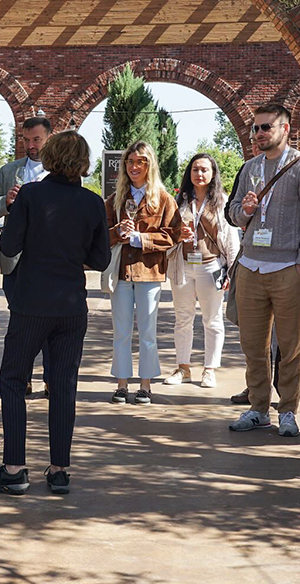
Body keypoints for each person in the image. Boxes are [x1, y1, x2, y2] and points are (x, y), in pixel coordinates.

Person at [0, 130, 111, 495]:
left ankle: (14, 468)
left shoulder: (31, 195)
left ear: (49, 157)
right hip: (71, 306)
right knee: (63, 386)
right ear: (83, 163)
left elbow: (9, 245)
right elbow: (100, 259)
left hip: (31, 302)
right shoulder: (93, 202)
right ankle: (59, 469)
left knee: (13, 380)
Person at [228, 103, 300, 437]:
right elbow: (233, 213)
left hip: (287, 269)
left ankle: (287, 410)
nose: (259, 134)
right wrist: (245, 211)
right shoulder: (249, 168)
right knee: (252, 346)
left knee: (290, 346)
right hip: (250, 267)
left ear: (285, 129)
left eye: (266, 127)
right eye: (255, 128)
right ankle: (258, 408)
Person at [105, 141, 181, 404]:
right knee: (121, 331)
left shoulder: (163, 199)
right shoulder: (115, 199)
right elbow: (101, 235)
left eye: (141, 162)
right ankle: (121, 384)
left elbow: (173, 235)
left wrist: (141, 239)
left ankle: (146, 385)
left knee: (148, 332)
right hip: (122, 273)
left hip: (149, 273)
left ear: (150, 165)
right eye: (130, 162)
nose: (134, 167)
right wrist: (118, 232)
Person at [0, 116, 53, 397]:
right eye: (26, 140)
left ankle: (51, 379)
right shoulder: (9, 171)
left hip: (49, 260)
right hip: (15, 259)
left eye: (36, 139)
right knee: (20, 322)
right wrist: (7, 202)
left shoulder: (61, 173)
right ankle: (22, 377)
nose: (31, 145)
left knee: (50, 322)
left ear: (49, 138)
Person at [166, 153, 241, 389]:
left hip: (211, 266)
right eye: (195, 169)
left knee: (212, 319)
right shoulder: (180, 201)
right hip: (183, 266)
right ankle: (183, 368)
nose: (199, 174)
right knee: (182, 319)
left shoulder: (222, 201)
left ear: (213, 173)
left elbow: (231, 239)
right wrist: (179, 234)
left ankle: (210, 369)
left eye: (204, 170)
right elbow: (168, 233)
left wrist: (231, 271)